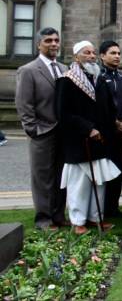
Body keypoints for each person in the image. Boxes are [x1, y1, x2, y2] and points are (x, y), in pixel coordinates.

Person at [56, 41, 120, 235]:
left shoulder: (99, 79)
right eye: (87, 53)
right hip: (79, 140)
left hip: (100, 140)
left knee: (98, 182)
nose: (92, 56)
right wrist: (88, 128)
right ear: (77, 57)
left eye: (93, 53)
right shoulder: (66, 80)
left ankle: (94, 217)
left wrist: (111, 126)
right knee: (79, 183)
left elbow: (108, 107)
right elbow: (63, 113)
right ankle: (78, 220)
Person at [15, 27, 68, 230]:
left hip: (63, 133)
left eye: (56, 40)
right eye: (48, 41)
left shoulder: (64, 69)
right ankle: (44, 220)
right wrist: (33, 130)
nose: (54, 44)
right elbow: (24, 104)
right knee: (43, 178)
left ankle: (58, 215)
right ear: (39, 44)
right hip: (42, 132)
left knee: (61, 176)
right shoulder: (28, 70)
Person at [97, 40, 122, 218]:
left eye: (118, 53)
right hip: (104, 132)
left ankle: (113, 207)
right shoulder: (98, 77)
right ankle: (101, 209)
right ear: (102, 56)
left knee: (118, 169)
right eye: (113, 53)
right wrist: (113, 122)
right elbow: (101, 105)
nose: (117, 56)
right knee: (104, 171)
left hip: (119, 132)